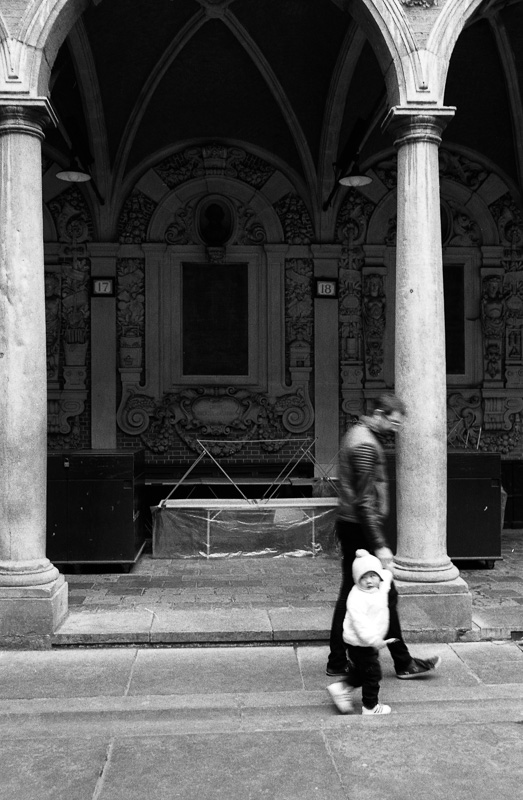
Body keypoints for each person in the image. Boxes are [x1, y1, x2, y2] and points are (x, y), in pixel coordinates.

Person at [326, 392, 441, 683]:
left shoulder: (360, 434)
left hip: (354, 524)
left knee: (354, 593)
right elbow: (365, 500)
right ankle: (401, 662)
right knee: (382, 594)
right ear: (379, 414)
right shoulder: (364, 443)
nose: (396, 428)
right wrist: (379, 543)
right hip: (361, 528)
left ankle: (340, 660)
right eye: (394, 422)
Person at [327, 549, 396, 715]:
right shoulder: (357, 597)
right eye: (363, 577)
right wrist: (374, 640)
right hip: (359, 643)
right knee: (373, 674)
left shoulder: (379, 587)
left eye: (372, 576)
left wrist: (389, 568)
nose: (369, 581)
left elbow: (386, 576)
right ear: (356, 579)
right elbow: (361, 624)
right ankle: (370, 706)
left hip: (367, 643)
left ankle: (341, 688)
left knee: (361, 671)